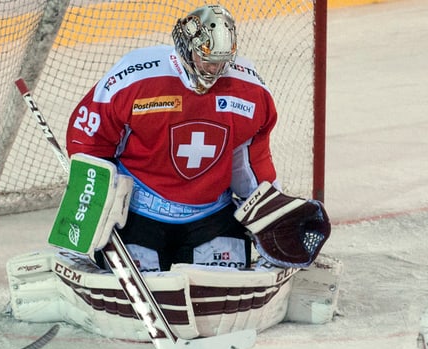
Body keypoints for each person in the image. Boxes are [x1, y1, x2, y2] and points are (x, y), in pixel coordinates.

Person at [64, 3, 329, 273]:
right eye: (208, 59)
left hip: (211, 216)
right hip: (138, 215)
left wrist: (270, 214)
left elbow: (249, 159)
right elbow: (89, 143)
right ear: (186, 48)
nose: (215, 69)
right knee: (136, 288)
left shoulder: (250, 92)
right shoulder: (134, 79)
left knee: (218, 293)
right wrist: (84, 216)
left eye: (221, 60)